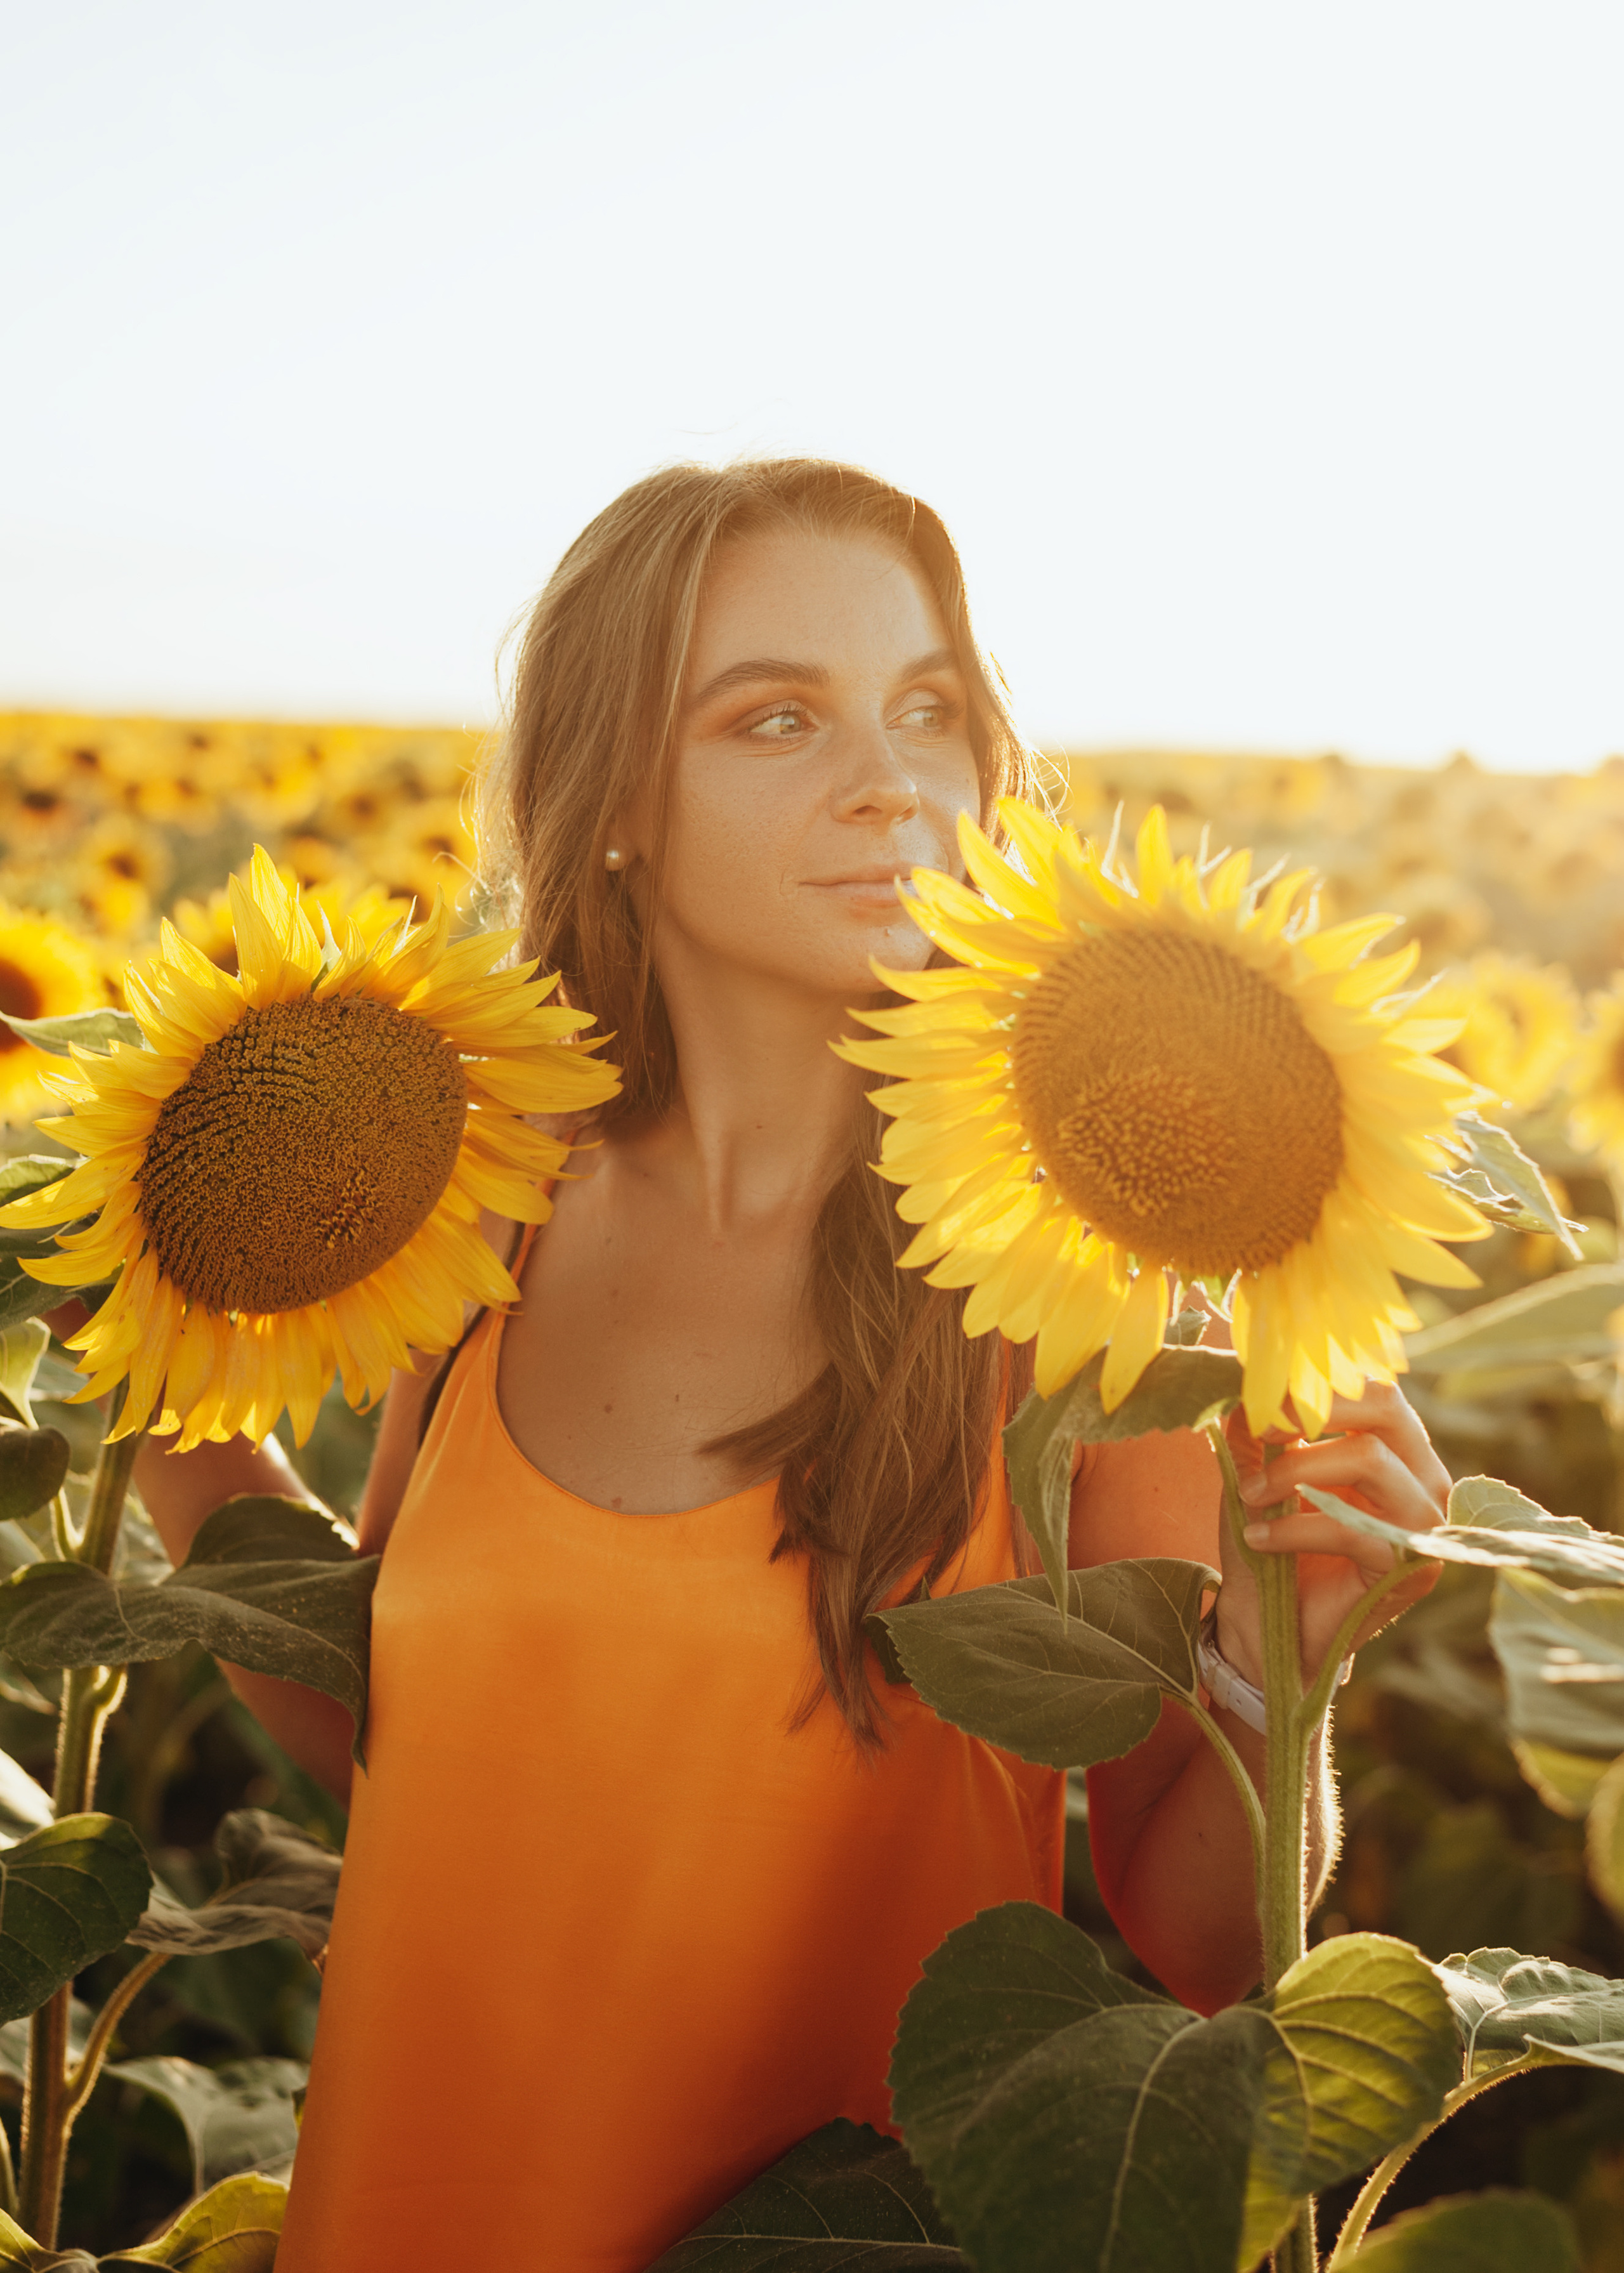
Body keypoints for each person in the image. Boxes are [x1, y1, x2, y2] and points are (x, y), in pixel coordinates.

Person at [135, 459, 1451, 2269]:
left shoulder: (1083, 1304)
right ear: (613, 808)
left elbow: (1206, 1938)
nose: (891, 779)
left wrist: (1287, 1655)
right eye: (777, 716)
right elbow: (394, 1727)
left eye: (928, 708)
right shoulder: (490, 1210)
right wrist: (154, 1393)